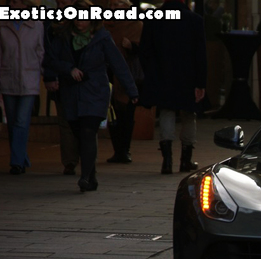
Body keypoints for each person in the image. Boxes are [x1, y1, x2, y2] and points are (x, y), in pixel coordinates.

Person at [46, 0, 138, 192]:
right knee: (79, 133)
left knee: (88, 132)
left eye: (84, 18)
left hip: (95, 91)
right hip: (71, 93)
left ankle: (85, 177)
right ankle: (91, 173)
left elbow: (118, 64)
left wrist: (132, 91)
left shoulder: (102, 37)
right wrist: (68, 69)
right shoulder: (63, 37)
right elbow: (50, 60)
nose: (80, 22)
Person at [139, 0, 207, 174]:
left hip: (162, 74)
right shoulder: (195, 20)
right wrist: (201, 83)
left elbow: (145, 50)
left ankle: (167, 161)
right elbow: (200, 54)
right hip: (188, 76)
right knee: (188, 115)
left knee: (166, 112)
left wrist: (152, 73)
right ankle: (186, 160)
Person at [0, 0, 44, 175]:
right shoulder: (2, 25)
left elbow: (40, 50)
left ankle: (16, 162)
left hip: (29, 78)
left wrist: (39, 70)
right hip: (8, 77)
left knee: (21, 120)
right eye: (13, 2)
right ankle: (21, 157)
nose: (16, 5)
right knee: (12, 122)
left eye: (19, 2)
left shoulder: (36, 24)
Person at [43, 0, 81, 176]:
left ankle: (86, 159)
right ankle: (70, 161)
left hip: (83, 81)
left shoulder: (84, 21)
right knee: (66, 122)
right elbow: (48, 53)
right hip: (63, 80)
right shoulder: (51, 25)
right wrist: (50, 76)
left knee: (85, 122)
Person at [104, 0, 143, 164]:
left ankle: (124, 150)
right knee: (112, 114)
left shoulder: (136, 25)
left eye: (117, 4)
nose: (113, 8)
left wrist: (132, 47)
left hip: (129, 76)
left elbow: (144, 50)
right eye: (111, 5)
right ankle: (117, 150)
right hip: (108, 74)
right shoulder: (105, 25)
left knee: (126, 114)